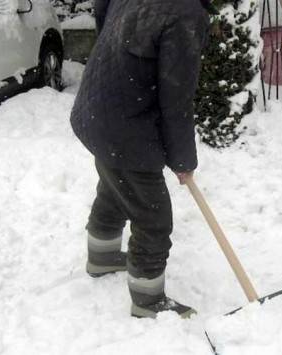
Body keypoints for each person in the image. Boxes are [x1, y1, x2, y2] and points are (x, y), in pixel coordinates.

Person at [70, 0, 213, 319]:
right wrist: (182, 159)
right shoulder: (186, 14)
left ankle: (102, 257)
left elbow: (102, 7)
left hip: (96, 108)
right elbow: (176, 97)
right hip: (123, 124)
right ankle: (147, 301)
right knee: (152, 216)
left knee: (116, 186)